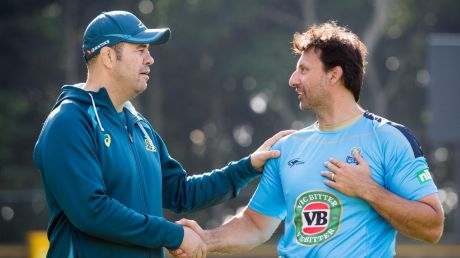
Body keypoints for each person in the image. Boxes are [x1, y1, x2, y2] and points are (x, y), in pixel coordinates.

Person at [33, 10, 294, 258]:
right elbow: (92, 211)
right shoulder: (68, 122)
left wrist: (248, 166)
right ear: (109, 57)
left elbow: (181, 192)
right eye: (140, 50)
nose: (150, 59)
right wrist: (174, 234)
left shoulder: (137, 123)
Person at [174, 21, 444, 257]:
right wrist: (205, 239)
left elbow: (432, 226)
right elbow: (255, 224)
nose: (293, 80)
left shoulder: (390, 139)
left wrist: (369, 190)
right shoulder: (287, 148)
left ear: (334, 74)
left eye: (303, 70)